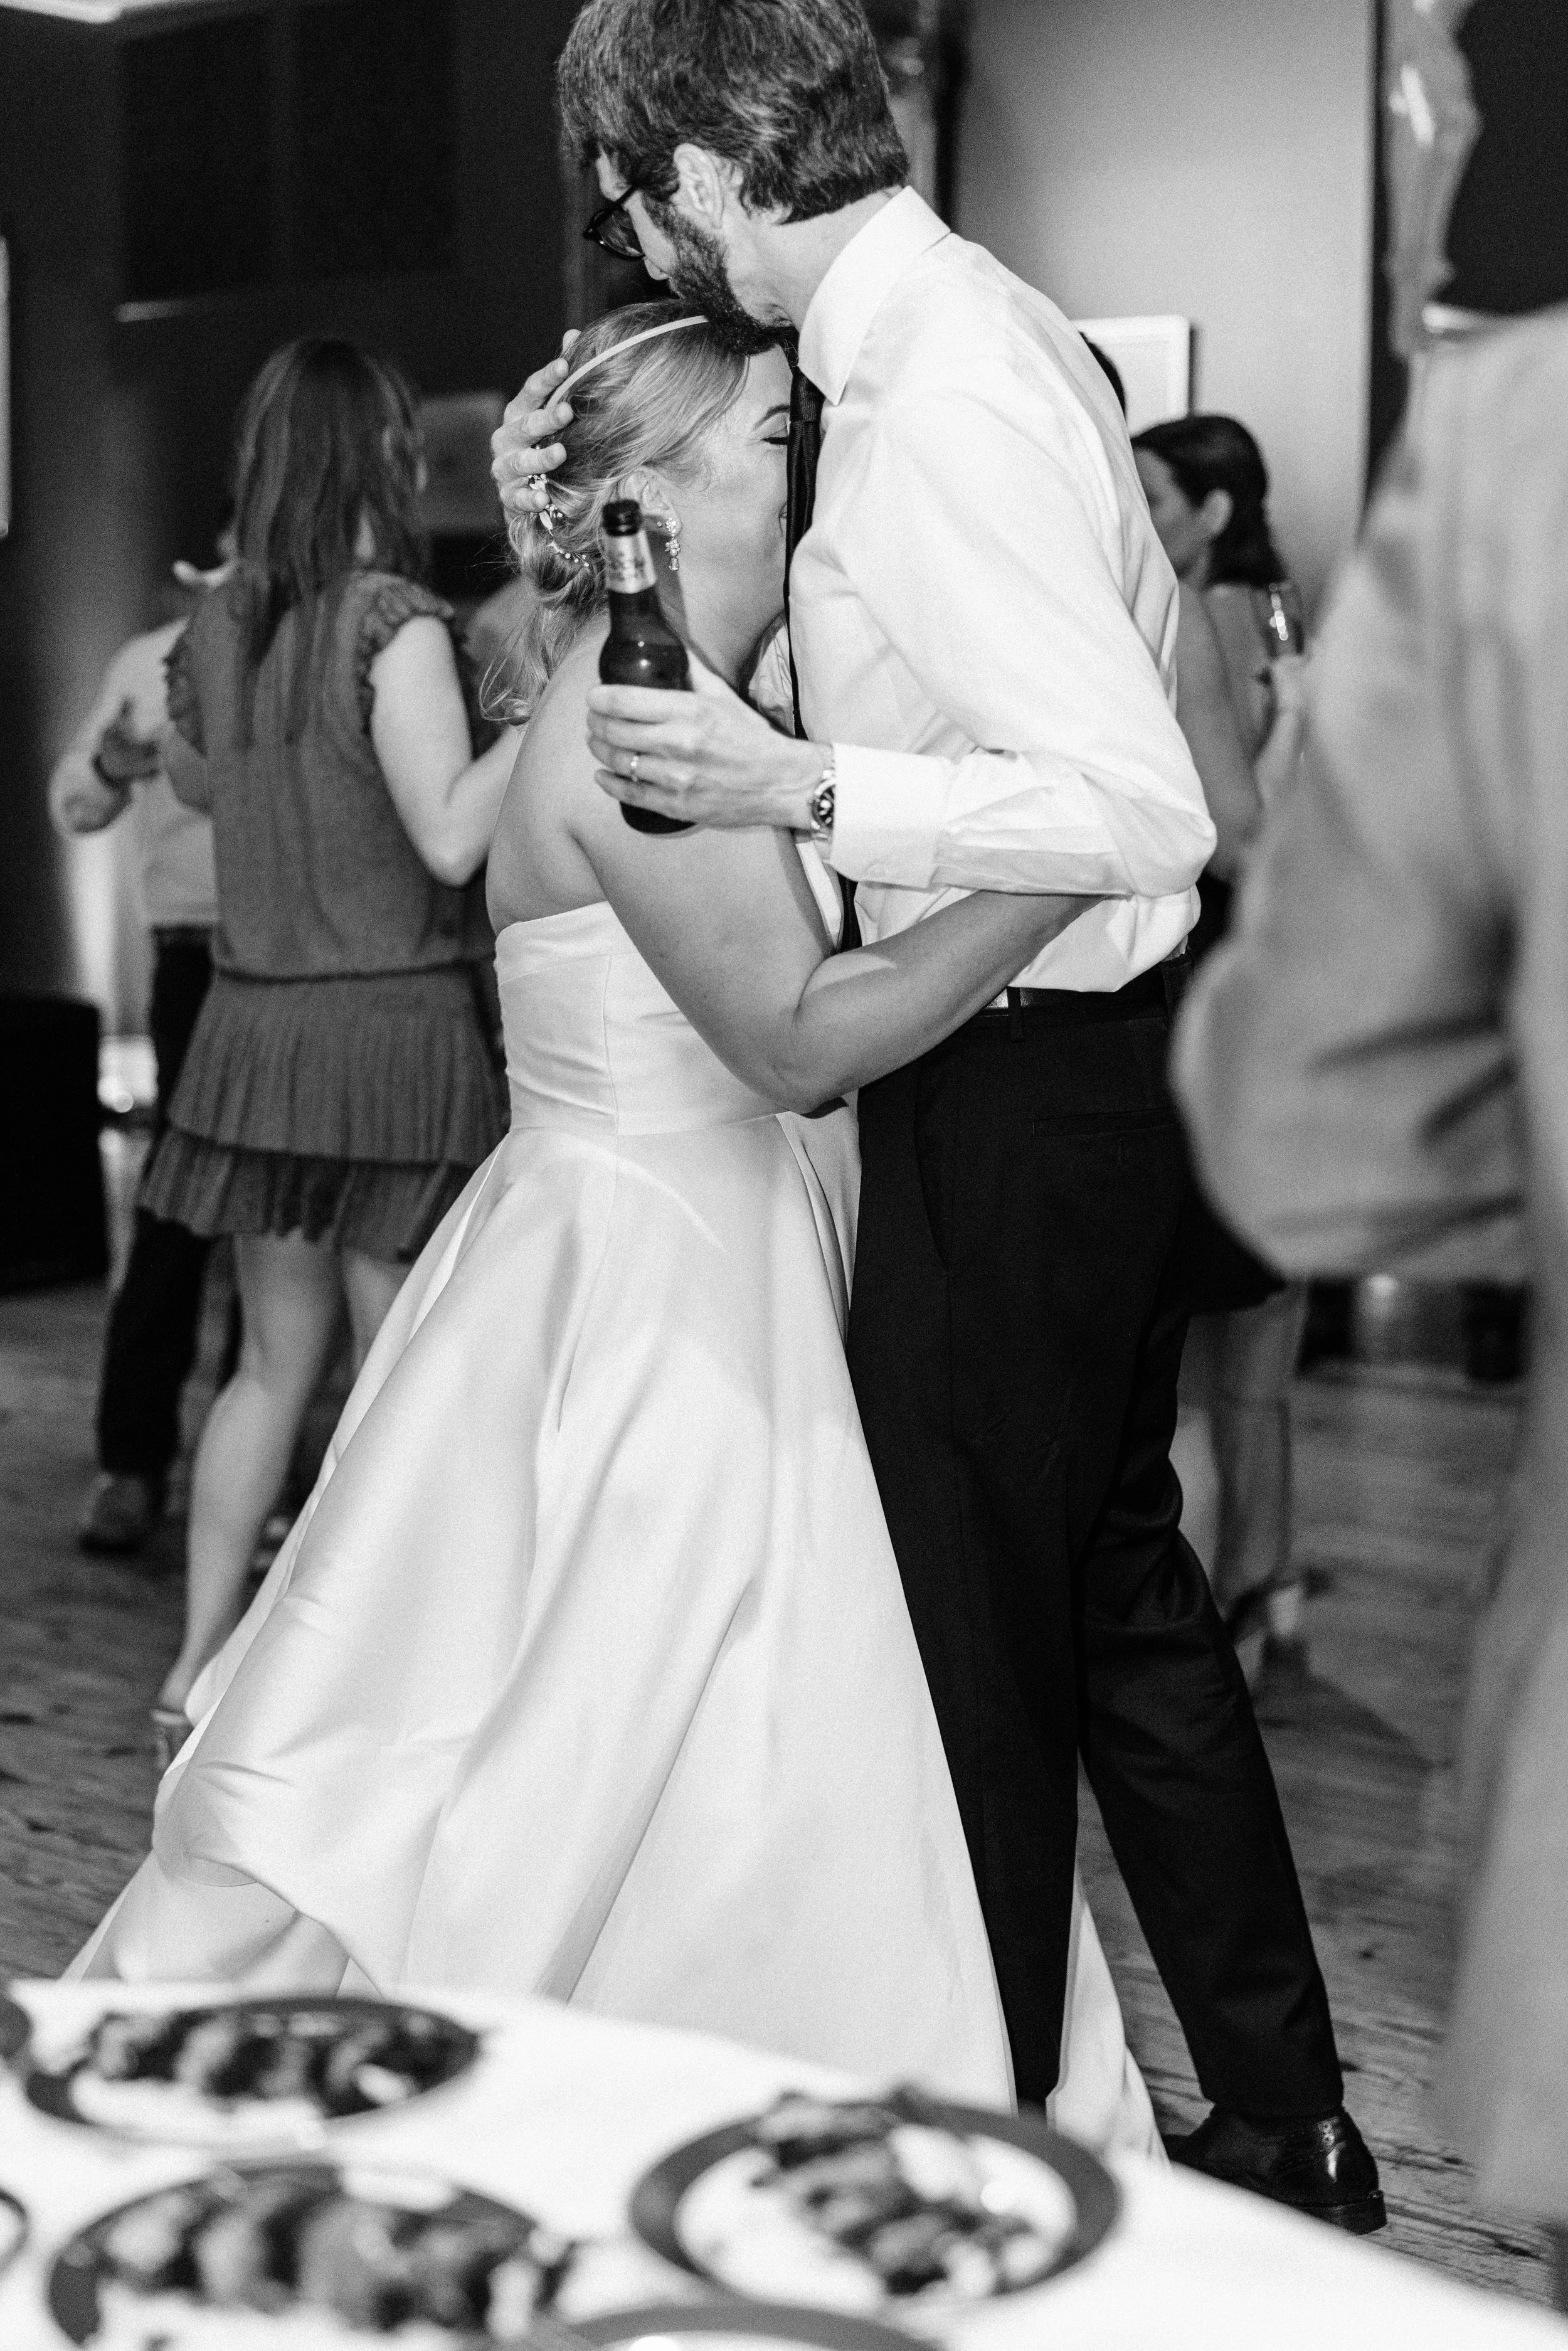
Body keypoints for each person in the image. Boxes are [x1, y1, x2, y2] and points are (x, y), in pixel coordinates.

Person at [72, 304, 1158, 2153]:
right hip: (660, 1296)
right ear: (647, 494)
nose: (798, 463)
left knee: (673, 1726)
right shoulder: (630, 720)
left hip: (670, 1235)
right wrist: (1072, 849)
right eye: (759, 435)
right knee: (664, 1716)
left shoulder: (694, 697)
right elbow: (796, 1042)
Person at [492, 0, 1380, 2228]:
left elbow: (1137, 798)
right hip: (1078, 1075)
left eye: (630, 191)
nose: (629, 231)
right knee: (1109, 1594)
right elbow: (969, 688)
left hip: (1031, 1090)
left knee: (970, 1637)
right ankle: (1279, 2107)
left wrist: (804, 786)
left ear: (705, 172)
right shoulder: (937, 343)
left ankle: (984, 2165)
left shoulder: (951, 382)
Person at [1172, 304, 1568, 2308]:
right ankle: (1280, 1589)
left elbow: (1320, 1138)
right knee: (1248, 1390)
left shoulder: (1521, 445)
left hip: (1279, 980)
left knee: (1237, 1369)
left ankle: (1270, 1593)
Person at [142, 337, 519, 1758]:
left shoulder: (214, 626)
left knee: (264, 1368)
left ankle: (194, 1665)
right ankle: (362, 1680)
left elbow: (188, 775)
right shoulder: (395, 623)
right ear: (382, 453)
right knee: (394, 1375)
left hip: (252, 1030)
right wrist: (546, 714)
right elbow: (448, 830)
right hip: (388, 1034)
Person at [1131, 416, 1313, 1675]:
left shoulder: (1222, 613)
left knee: (1221, 1344)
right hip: (1266, 983)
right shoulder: (1261, 605)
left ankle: (1240, 1600)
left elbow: (1242, 827)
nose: (1137, 513)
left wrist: (1296, 720)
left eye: (1154, 494)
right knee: (1251, 1344)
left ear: (1209, 508)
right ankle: (1270, 1585)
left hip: (1231, 984)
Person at [48, 538, 235, 1558]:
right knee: (176, 1202)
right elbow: (74, 799)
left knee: (281, 1214)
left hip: (304, 953)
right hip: (194, 960)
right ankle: (133, 1461)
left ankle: (281, 1470)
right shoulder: (148, 662)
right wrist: (114, 763)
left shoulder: (319, 642)